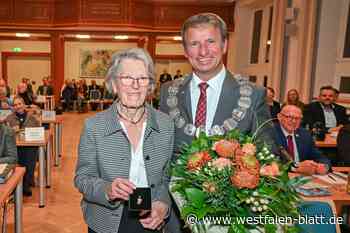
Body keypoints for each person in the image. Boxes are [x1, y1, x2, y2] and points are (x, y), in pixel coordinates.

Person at [160, 13, 275, 233]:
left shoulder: (253, 94)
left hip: (231, 218)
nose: (203, 52)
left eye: (210, 41)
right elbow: (162, 152)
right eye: (194, 43)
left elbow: (268, 154)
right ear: (185, 50)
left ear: (224, 45)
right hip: (175, 216)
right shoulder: (168, 92)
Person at [74, 48, 174, 233]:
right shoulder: (94, 126)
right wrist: (107, 189)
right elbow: (82, 179)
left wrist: (162, 205)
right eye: (127, 78)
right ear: (113, 83)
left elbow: (168, 176)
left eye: (142, 78)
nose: (135, 85)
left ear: (150, 85)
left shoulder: (166, 124)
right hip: (105, 221)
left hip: (151, 219)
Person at [274, 105, 331, 175]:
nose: (294, 121)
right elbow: (269, 163)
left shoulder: (304, 134)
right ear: (279, 117)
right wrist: (295, 168)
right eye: (289, 117)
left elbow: (320, 156)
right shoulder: (270, 134)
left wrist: (324, 166)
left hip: (304, 178)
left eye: (298, 118)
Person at [5, 97, 40, 196]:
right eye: (15, 105)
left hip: (29, 145)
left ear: (24, 105)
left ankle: (26, 184)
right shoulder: (9, 118)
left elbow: (38, 131)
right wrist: (12, 131)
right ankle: (19, 183)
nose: (18, 106)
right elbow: (5, 134)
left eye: (19, 104)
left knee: (29, 154)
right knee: (14, 155)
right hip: (15, 145)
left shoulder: (32, 117)